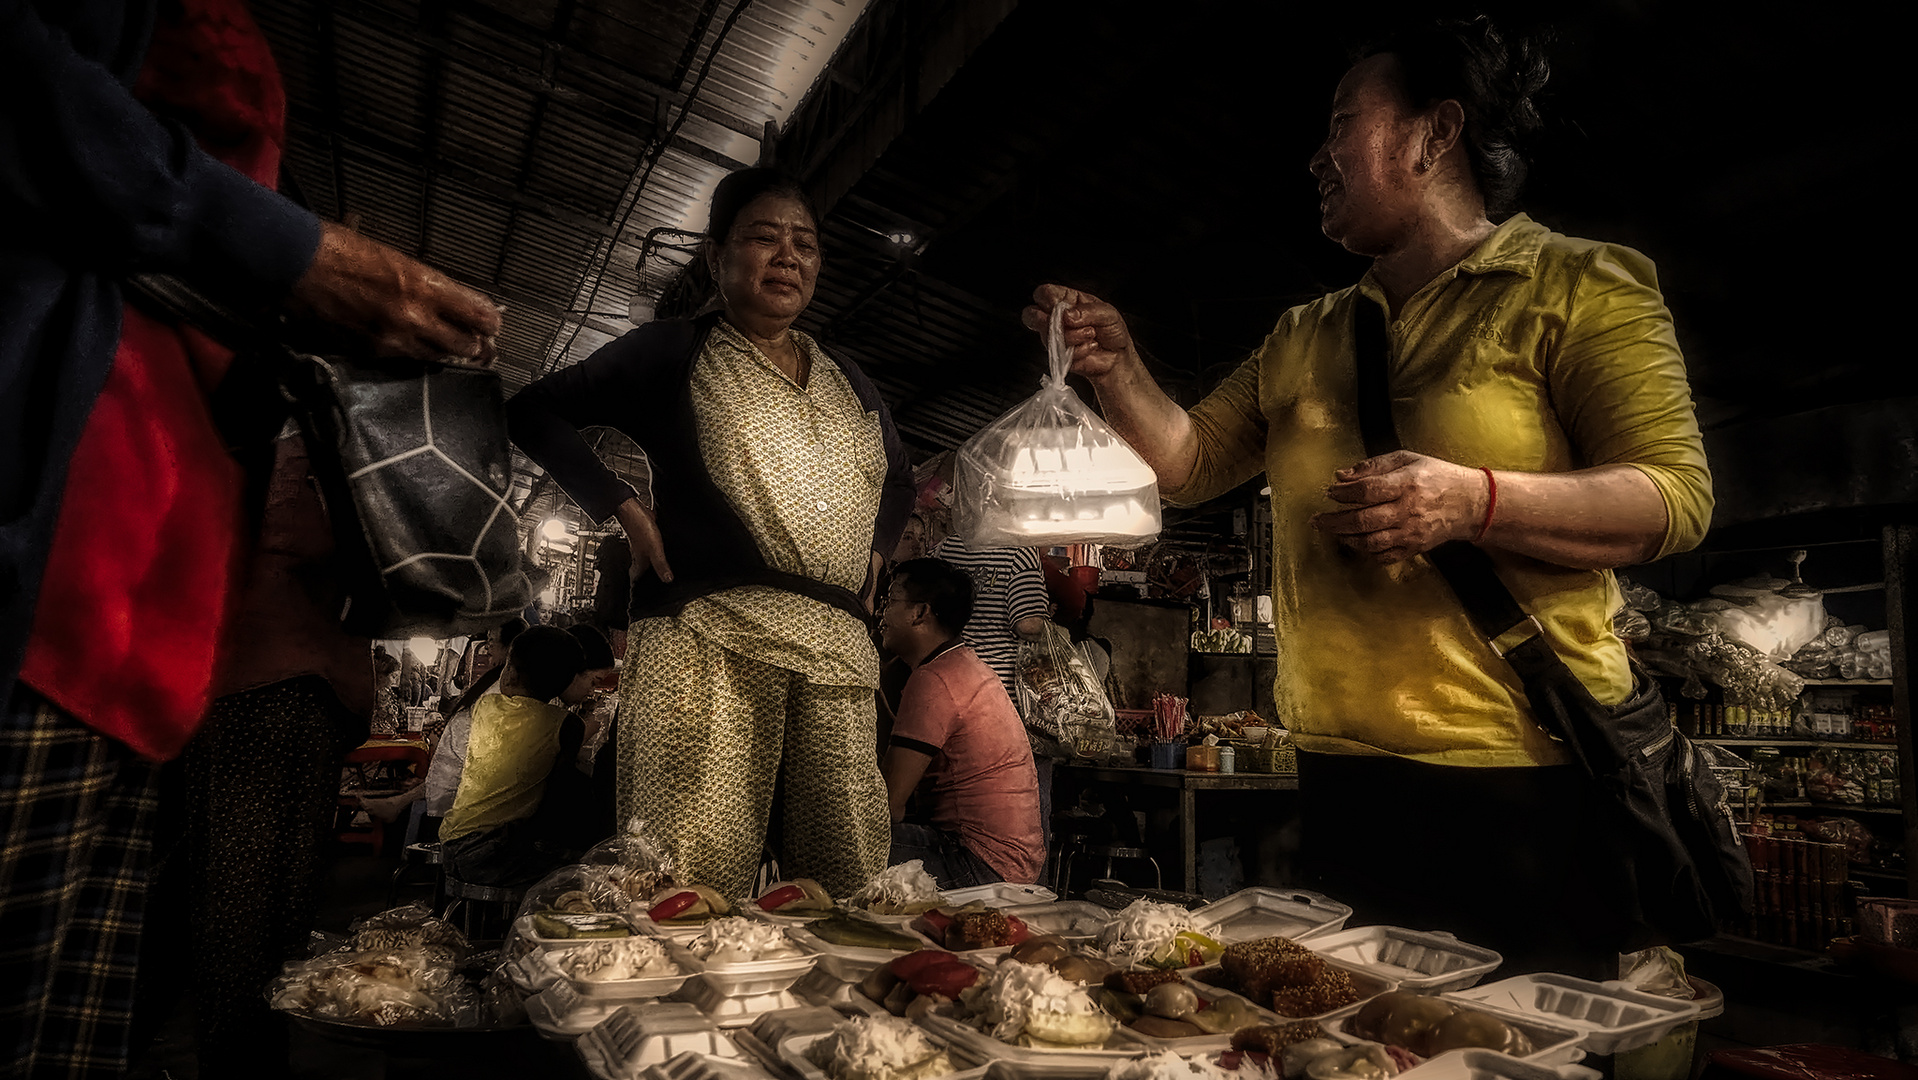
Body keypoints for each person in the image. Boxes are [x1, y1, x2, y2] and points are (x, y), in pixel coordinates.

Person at [1021, 18, 1711, 976]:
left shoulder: (1580, 284)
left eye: (1342, 124)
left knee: (1515, 1046)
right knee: (1363, 1044)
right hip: (1342, 770)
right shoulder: (1306, 332)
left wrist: (1473, 501)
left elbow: (1671, 498)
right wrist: (1120, 368)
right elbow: (1187, 462)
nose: (1316, 157)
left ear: (1434, 135)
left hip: (1524, 772)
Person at [0, 4, 502, 1070]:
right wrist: (287, 252)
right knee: (228, 914)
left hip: (152, 629)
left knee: (88, 1015)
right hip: (63, 582)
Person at [506, 167, 914, 898]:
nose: (788, 257)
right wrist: (623, 506)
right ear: (714, 255)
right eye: (764, 238)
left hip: (838, 654)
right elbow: (532, 410)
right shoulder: (671, 351)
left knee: (848, 879)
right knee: (689, 874)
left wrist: (878, 552)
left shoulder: (849, 379)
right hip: (706, 639)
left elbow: (900, 478)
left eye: (805, 244)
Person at [878, 559, 1045, 889]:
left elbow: (887, 806)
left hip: (979, 865)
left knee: (836, 835)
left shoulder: (935, 679)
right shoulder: (963, 664)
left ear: (920, 613)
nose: (881, 614)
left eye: (890, 601)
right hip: (1011, 864)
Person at [438, 627, 590, 886]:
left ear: (510, 673)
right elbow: (561, 789)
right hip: (493, 852)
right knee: (586, 868)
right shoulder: (567, 724)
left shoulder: (485, 705)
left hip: (452, 841)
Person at [410, 618, 529, 833]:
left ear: (511, 647)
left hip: (459, 794)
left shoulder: (502, 689)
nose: (488, 645)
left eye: (493, 640)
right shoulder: (494, 682)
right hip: (452, 786)